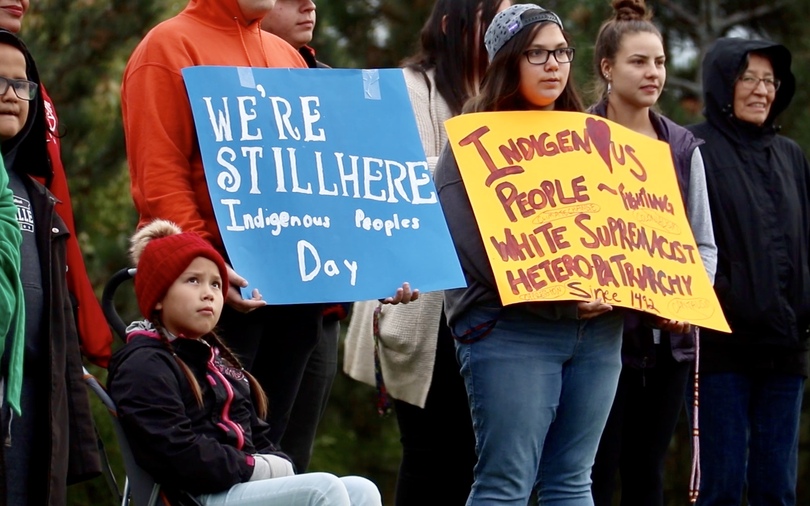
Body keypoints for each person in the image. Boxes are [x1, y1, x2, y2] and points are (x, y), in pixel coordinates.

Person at [122, 0, 417, 454]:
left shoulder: (287, 57)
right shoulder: (168, 45)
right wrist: (208, 273)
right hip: (220, 297)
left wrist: (373, 259)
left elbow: (326, 182)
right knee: (216, 455)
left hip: (298, 296)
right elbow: (161, 178)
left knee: (278, 455)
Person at [343, 0, 508, 503]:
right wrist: (487, 162)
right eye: (489, 18)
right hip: (420, 306)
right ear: (450, 24)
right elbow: (400, 182)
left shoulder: (502, 96)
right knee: (432, 455)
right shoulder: (411, 88)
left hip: (486, 305)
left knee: (482, 460)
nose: (497, 31)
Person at [106, 219, 383, 506]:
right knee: (323, 489)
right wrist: (251, 468)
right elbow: (174, 452)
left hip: (233, 483)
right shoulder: (144, 364)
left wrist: (275, 462)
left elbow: (256, 435)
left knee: (361, 490)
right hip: (192, 493)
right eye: (193, 280)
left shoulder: (216, 361)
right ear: (159, 296)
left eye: (216, 283)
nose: (208, 293)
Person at [586, 1, 717, 505]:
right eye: (639, 61)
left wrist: (686, 302)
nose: (653, 72)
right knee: (592, 472)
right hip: (597, 338)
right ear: (607, 67)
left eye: (659, 61)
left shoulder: (684, 147)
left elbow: (703, 244)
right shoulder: (575, 138)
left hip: (668, 346)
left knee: (646, 473)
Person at [686, 37, 809, 506]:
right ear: (723, 84)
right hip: (721, 349)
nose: (762, 90)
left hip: (786, 347)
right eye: (749, 78)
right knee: (720, 489)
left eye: (770, 81)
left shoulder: (791, 156)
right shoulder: (693, 147)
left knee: (777, 489)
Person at [0, 28, 101, 505]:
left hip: (30, 412)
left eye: (21, 85)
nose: (10, 94)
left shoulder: (38, 200)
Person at [260, 0, 350, 473]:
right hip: (255, 300)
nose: (308, 4)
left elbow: (360, 190)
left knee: (294, 456)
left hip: (324, 304)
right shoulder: (231, 77)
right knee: (250, 453)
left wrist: (385, 265)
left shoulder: (333, 84)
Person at [1, 0, 112, 369]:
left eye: (18, 85)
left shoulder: (33, 92)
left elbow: (55, 220)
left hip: (37, 349)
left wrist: (83, 328)